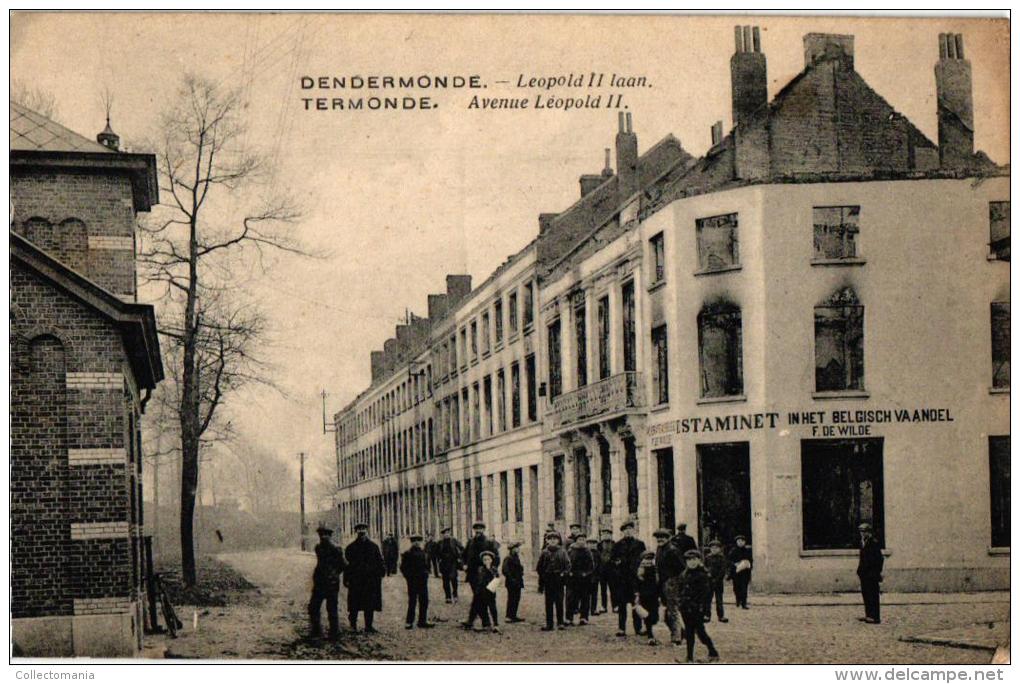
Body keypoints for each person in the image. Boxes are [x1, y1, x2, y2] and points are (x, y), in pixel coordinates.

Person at [677, 549, 720, 663]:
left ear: (699, 560)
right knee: (689, 632)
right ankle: (690, 657)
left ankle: (712, 651)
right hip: (686, 608)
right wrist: (680, 602)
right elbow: (680, 590)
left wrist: (706, 612)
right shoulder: (683, 574)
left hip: (697, 609)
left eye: (694, 559)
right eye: (689, 560)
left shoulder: (703, 575)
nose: (691, 562)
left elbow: (706, 596)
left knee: (700, 633)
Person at [344, 522, 385, 633]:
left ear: (367, 531)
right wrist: (346, 579)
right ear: (356, 531)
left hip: (370, 581)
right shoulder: (351, 548)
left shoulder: (373, 547)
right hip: (356, 580)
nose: (362, 531)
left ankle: (369, 626)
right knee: (354, 604)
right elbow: (347, 566)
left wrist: (381, 573)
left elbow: (380, 561)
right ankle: (353, 625)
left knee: (369, 604)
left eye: (364, 529)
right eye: (359, 529)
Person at [308, 525, 346, 640]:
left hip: (331, 583)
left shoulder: (336, 549)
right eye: (321, 535)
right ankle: (317, 630)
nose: (323, 537)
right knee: (313, 607)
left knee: (331, 608)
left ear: (330, 536)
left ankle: (334, 632)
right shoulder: (318, 548)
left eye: (326, 535)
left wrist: (334, 574)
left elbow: (343, 565)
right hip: (320, 582)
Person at [461, 521, 500, 630]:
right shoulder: (470, 542)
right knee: (478, 597)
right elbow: (463, 555)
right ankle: (483, 622)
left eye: (480, 528)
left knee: (482, 598)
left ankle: (475, 621)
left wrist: (493, 569)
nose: (478, 531)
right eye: (476, 529)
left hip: (487, 575)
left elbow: (497, 558)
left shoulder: (489, 542)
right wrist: (464, 565)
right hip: (473, 575)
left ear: (484, 530)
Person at [610, 521, 646, 637]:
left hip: (635, 578)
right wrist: (617, 566)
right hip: (622, 579)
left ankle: (638, 628)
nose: (628, 531)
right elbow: (612, 560)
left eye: (630, 529)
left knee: (636, 603)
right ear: (623, 532)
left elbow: (644, 559)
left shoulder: (640, 544)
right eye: (626, 530)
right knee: (621, 605)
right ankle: (621, 628)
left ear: (634, 530)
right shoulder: (617, 545)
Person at [654, 528, 685, 645]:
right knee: (667, 610)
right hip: (663, 583)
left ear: (668, 538)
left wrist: (677, 582)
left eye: (662, 537)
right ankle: (681, 632)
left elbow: (682, 568)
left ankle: (676, 636)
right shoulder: (659, 549)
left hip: (672, 583)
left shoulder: (673, 550)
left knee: (672, 610)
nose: (660, 539)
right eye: (658, 538)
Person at [536, 531, 571, 631]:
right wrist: (543, 578)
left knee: (559, 601)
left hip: (559, 579)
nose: (552, 541)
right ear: (547, 541)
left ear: (558, 541)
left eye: (555, 539)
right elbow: (539, 567)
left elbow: (568, 566)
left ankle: (560, 622)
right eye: (550, 539)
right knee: (549, 603)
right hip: (548, 580)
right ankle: (549, 624)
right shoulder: (544, 552)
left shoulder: (562, 552)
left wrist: (563, 574)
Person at [400, 534, 434, 630]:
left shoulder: (424, 553)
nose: (417, 543)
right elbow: (403, 568)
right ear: (412, 542)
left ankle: (422, 621)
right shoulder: (407, 553)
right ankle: (409, 622)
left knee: (424, 600)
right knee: (412, 601)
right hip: (412, 581)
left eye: (419, 541)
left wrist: (427, 573)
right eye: (415, 541)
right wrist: (408, 577)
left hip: (423, 580)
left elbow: (427, 565)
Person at [857, 522, 884, 624]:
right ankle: (869, 615)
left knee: (873, 595)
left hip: (871, 574)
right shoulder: (863, 542)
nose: (862, 533)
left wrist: (876, 572)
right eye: (860, 531)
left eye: (863, 531)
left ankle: (875, 617)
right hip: (864, 574)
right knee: (866, 594)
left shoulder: (873, 542)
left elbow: (879, 559)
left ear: (868, 532)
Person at [566, 530, 594, 625]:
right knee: (571, 598)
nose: (581, 541)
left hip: (584, 579)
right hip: (573, 578)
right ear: (576, 541)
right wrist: (569, 573)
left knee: (585, 598)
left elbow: (591, 566)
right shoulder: (571, 550)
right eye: (579, 539)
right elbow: (567, 563)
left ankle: (584, 617)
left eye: (583, 539)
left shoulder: (588, 551)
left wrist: (586, 573)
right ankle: (569, 618)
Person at [633, 550, 661, 645]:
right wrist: (637, 595)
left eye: (650, 559)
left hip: (654, 595)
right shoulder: (640, 570)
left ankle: (649, 631)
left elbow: (658, 583)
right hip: (645, 595)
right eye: (646, 559)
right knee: (648, 615)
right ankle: (650, 636)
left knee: (654, 617)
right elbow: (637, 582)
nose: (648, 561)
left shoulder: (655, 569)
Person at [472, 550, 501, 633]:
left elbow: (496, 578)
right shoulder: (480, 569)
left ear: (491, 560)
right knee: (482, 608)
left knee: (492, 608)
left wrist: (489, 570)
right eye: (484, 560)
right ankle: (486, 624)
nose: (486, 561)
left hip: (490, 592)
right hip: (481, 592)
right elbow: (478, 579)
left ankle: (496, 624)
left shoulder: (494, 569)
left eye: (488, 559)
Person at [702, 540, 729, 623]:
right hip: (709, 582)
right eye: (712, 548)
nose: (714, 549)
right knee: (707, 599)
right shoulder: (707, 557)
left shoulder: (722, 558)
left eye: (716, 548)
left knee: (719, 599)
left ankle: (721, 616)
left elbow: (723, 570)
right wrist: (707, 574)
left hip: (718, 582)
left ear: (719, 549)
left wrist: (717, 579)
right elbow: (704, 567)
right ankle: (707, 615)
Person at [437, 526, 464, 603]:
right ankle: (448, 597)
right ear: (442, 535)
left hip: (453, 563)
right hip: (444, 563)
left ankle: (455, 595)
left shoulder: (454, 540)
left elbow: (462, 548)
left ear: (450, 533)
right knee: (445, 581)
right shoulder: (440, 542)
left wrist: (459, 557)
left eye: (448, 533)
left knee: (453, 579)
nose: (446, 534)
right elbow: (436, 552)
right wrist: (439, 559)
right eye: (445, 533)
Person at [501, 541, 525, 623]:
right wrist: (511, 579)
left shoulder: (516, 557)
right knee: (512, 598)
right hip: (511, 582)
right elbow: (505, 570)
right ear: (512, 549)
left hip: (518, 581)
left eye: (518, 548)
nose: (518, 549)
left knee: (516, 598)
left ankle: (513, 615)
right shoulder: (508, 558)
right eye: (516, 548)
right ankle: (508, 616)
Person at [728, 534, 753, 609]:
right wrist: (735, 564)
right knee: (736, 587)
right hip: (736, 572)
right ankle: (738, 599)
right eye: (738, 541)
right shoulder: (733, 551)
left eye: (742, 541)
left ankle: (744, 603)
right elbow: (729, 561)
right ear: (736, 542)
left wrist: (748, 564)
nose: (740, 542)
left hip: (745, 572)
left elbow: (751, 560)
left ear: (744, 542)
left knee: (744, 588)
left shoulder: (748, 551)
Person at [597, 528, 616, 615]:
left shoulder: (614, 544)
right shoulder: (599, 545)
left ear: (610, 535)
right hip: (602, 570)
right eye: (603, 534)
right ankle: (603, 606)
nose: (605, 535)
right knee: (603, 589)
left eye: (607, 533)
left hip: (612, 570)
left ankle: (615, 606)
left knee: (613, 589)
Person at [586, 537, 602, 617]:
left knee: (594, 594)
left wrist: (598, 575)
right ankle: (585, 609)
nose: (592, 545)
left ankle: (593, 609)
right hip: (586, 577)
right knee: (586, 594)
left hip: (595, 576)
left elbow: (599, 565)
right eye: (590, 543)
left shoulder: (597, 553)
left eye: (593, 543)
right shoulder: (585, 552)